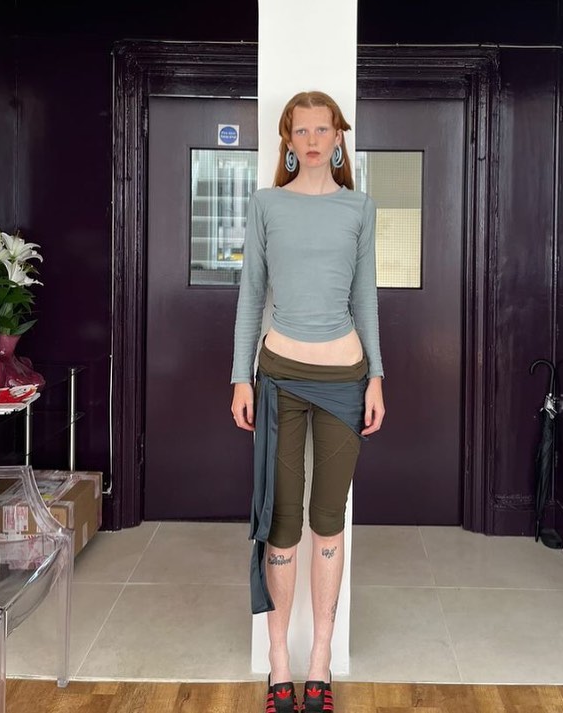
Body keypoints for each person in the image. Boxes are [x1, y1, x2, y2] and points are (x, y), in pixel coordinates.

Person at [231, 91, 385, 713]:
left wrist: (377, 378)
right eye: (302, 131)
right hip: (279, 378)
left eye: (324, 130)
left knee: (329, 519)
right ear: (288, 140)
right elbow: (251, 294)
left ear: (339, 136)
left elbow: (365, 297)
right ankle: (279, 663)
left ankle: (319, 659)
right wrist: (240, 378)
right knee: (282, 522)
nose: (314, 140)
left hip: (345, 378)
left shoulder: (359, 207)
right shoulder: (266, 204)